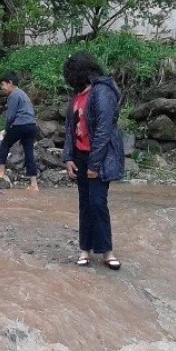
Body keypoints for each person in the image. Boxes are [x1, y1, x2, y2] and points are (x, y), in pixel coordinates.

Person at [61, 51, 125, 270]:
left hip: (98, 156)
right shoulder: (77, 96)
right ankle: (84, 250)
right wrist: (68, 157)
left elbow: (103, 132)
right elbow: (70, 129)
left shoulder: (102, 93)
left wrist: (94, 165)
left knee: (98, 203)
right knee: (85, 204)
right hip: (80, 156)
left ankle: (107, 252)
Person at [0, 73, 40, 191]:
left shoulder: (13, 95)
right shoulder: (23, 94)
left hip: (20, 124)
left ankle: (1, 172)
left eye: (3, 84)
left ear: (10, 83)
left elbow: (10, 116)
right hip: (31, 126)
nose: (2, 87)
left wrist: (7, 130)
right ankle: (34, 184)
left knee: (5, 144)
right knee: (29, 153)